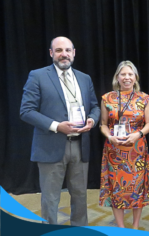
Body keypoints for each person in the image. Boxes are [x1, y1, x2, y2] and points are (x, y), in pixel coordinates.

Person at [20, 36, 100, 225]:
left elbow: (95, 106)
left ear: (73, 53)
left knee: (80, 197)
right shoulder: (38, 76)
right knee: (50, 199)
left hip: (80, 146)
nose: (63, 54)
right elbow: (26, 111)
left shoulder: (84, 78)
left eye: (67, 50)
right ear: (51, 53)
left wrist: (93, 120)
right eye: (58, 50)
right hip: (51, 145)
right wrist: (57, 126)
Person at [99, 61, 149, 229]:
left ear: (135, 77)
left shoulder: (144, 98)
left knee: (137, 189)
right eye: (123, 74)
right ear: (117, 77)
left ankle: (135, 226)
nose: (127, 77)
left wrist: (138, 134)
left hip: (136, 150)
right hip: (114, 150)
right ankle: (121, 228)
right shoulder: (107, 98)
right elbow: (102, 124)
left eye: (130, 74)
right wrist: (110, 136)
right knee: (117, 189)